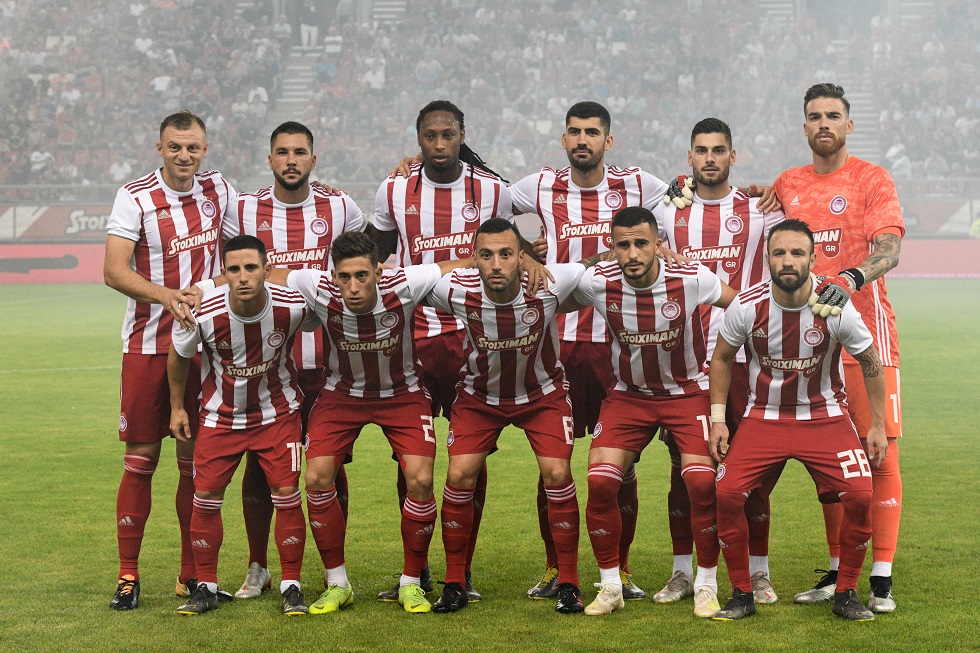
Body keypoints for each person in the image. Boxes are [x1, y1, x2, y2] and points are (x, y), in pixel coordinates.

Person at [510, 101, 669, 600]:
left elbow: (686, 198)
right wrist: (523, 252)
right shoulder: (540, 185)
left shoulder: (637, 183)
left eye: (592, 132)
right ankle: (555, 568)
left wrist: (752, 193)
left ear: (608, 140)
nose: (583, 140)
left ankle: (620, 568)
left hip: (614, 347)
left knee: (620, 466)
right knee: (552, 464)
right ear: (564, 139)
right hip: (555, 344)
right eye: (575, 132)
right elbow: (488, 205)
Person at [269, 231, 470, 615]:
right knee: (316, 478)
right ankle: (337, 583)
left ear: (379, 271)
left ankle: (411, 582)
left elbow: (453, 266)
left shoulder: (405, 284)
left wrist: (525, 260)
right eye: (344, 277)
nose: (353, 286)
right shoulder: (318, 286)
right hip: (341, 396)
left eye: (362, 275)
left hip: (402, 395)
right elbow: (268, 273)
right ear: (333, 275)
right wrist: (204, 288)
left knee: (420, 480)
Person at [373, 100, 519, 602]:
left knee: (469, 460)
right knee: (410, 459)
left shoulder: (492, 189)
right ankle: (414, 572)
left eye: (448, 135)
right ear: (418, 139)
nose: (439, 144)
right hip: (411, 336)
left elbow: (509, 251)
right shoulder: (394, 189)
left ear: (462, 135)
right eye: (430, 136)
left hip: (472, 336)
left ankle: (463, 569)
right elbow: (377, 258)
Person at [708, 219, 888, 622]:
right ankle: (741, 594)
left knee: (860, 496)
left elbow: (870, 361)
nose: (787, 261)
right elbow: (721, 358)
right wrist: (719, 420)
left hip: (825, 418)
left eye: (797, 253)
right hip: (763, 418)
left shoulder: (834, 305)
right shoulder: (747, 305)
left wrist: (877, 424)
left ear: (812, 258)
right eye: (779, 253)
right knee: (727, 494)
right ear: (767, 258)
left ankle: (846, 592)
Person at [773, 83, 904, 613]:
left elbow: (890, 249)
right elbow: (743, 206)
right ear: (804, 126)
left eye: (832, 115)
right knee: (832, 462)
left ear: (849, 124)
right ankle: (836, 570)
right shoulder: (788, 183)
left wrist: (850, 278)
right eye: (814, 116)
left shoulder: (872, 179)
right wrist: (687, 187)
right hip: (810, 345)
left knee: (881, 453)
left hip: (867, 335)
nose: (823, 123)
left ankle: (881, 578)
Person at [569, 206, 736, 617]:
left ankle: (706, 584)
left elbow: (741, 306)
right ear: (611, 248)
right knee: (600, 482)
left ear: (659, 245)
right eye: (623, 245)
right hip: (629, 397)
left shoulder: (691, 277)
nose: (632, 254)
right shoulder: (598, 282)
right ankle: (611, 586)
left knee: (701, 482)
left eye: (641, 244)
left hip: (687, 393)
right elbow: (549, 292)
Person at [103, 110, 235, 610]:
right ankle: (128, 575)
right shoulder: (134, 196)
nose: (184, 155)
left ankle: (191, 575)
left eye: (193, 147)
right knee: (141, 462)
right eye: (175, 147)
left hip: (203, 348)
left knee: (193, 465)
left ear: (205, 149)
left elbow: (257, 229)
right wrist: (166, 295)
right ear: (159, 148)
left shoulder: (219, 189)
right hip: (146, 346)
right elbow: (113, 271)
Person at [227, 121, 365, 600]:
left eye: (300, 152)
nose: (291, 160)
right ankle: (258, 566)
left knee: (331, 464)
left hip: (328, 359)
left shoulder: (341, 207)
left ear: (313, 159)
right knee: (258, 464)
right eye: (282, 152)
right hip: (266, 362)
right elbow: (231, 272)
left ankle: (333, 569)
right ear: (270, 159)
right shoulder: (243, 208)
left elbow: (359, 267)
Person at [652, 118, 784, 605]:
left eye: (718, 150)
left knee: (753, 470)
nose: (710, 158)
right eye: (702, 150)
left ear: (733, 156)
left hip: (746, 359)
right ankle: (682, 571)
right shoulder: (666, 212)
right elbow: (631, 242)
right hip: (685, 360)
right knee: (684, 472)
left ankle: (759, 572)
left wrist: (774, 189)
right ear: (689, 158)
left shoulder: (760, 211)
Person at [426, 218, 588, 614]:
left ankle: (568, 583)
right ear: (474, 258)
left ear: (521, 257)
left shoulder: (550, 283)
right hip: (480, 398)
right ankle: (454, 583)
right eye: (486, 255)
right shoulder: (455, 289)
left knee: (557, 474)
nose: (496, 264)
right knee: (459, 476)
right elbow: (405, 282)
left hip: (542, 395)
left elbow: (597, 263)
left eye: (506, 254)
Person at [169, 235, 319, 616]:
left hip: (277, 415)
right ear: (224, 273)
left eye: (251, 268)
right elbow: (179, 355)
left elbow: (329, 313)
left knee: (287, 493)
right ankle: (205, 587)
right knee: (205, 497)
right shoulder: (201, 313)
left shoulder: (293, 306)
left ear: (267, 270)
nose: (243, 277)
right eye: (233, 269)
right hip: (221, 417)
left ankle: (291, 585)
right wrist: (177, 408)